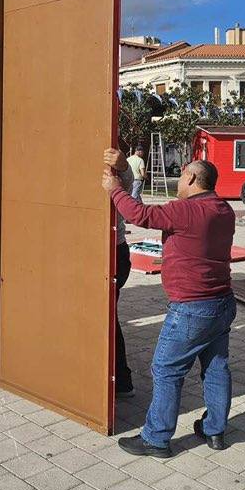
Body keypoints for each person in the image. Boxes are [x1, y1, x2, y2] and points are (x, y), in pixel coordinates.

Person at [102, 156, 236, 458]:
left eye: (182, 175)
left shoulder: (185, 210)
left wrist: (115, 189)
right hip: (222, 303)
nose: (179, 181)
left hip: (192, 308)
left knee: (166, 369)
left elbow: (139, 215)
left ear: (191, 179)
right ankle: (214, 430)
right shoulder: (223, 209)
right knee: (216, 368)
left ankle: (156, 438)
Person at [103, 149, 136, 397]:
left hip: (113, 250)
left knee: (105, 315)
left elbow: (124, 187)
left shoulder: (111, 156)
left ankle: (121, 380)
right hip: (83, 249)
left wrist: (124, 167)